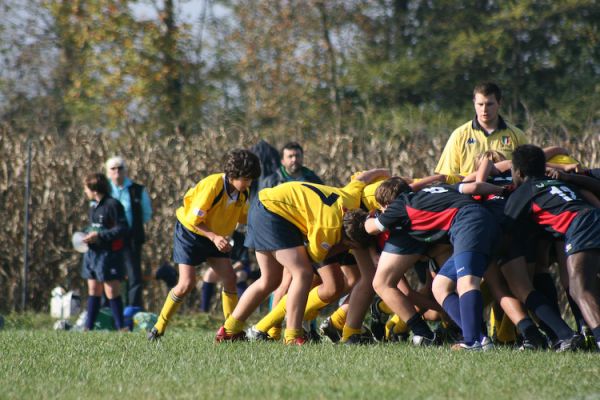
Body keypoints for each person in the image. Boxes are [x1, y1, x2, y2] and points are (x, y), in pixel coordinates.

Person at [215, 169, 389, 345]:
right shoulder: (327, 231)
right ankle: (292, 335)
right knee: (303, 273)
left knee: (269, 280)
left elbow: (361, 178)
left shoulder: (350, 200)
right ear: (347, 239)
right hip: (273, 212)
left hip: (265, 204)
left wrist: (383, 171)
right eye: (351, 247)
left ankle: (229, 330)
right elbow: (313, 259)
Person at [147, 149, 261, 341]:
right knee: (186, 284)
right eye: (247, 179)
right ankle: (158, 327)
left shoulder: (243, 192)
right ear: (233, 175)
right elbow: (195, 220)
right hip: (191, 233)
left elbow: (244, 216)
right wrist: (215, 237)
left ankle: (230, 331)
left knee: (230, 278)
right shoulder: (213, 185)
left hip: (215, 236)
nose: (250, 183)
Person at [504, 144, 600, 351]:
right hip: (593, 216)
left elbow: (506, 226)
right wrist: (569, 178)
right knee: (590, 283)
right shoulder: (558, 182)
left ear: (518, 172)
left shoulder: (524, 192)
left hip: (580, 226)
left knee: (579, 288)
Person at [258, 141, 324, 340]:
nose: (294, 160)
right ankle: (272, 328)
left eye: (297, 155)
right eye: (290, 156)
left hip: (307, 234)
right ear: (282, 160)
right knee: (284, 280)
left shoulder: (312, 178)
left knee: (310, 280)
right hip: (280, 234)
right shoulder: (272, 180)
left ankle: (307, 326)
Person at [435, 82, 527, 176]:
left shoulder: (517, 135)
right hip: (470, 189)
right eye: (480, 104)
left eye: (489, 104)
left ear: (499, 103)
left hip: (506, 189)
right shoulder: (459, 135)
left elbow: (528, 172)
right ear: (474, 103)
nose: (484, 109)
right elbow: (446, 175)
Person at [81, 173, 129, 331]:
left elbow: (122, 228)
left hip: (108, 255)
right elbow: (94, 227)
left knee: (111, 290)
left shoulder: (113, 205)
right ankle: (88, 328)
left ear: (94, 189)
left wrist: (100, 235)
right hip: (92, 254)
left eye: (86, 188)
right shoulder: (93, 206)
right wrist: (87, 235)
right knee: (93, 289)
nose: (85, 191)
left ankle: (121, 327)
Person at [105, 156, 152, 309]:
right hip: (109, 239)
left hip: (131, 239)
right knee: (108, 275)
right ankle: (108, 309)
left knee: (134, 275)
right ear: (108, 172)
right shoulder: (105, 191)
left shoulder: (137, 190)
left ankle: (132, 309)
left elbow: (146, 213)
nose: (117, 171)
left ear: (125, 170)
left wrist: (132, 228)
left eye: (120, 168)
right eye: (113, 168)